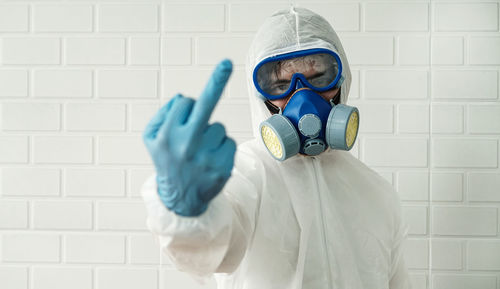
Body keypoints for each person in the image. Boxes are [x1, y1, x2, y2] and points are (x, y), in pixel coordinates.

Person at [141, 7, 412, 289]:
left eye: (319, 78)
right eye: (281, 84)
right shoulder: (245, 173)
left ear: (342, 78)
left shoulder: (375, 192)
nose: (302, 97)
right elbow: (209, 249)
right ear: (261, 96)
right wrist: (189, 212)